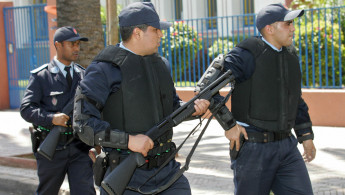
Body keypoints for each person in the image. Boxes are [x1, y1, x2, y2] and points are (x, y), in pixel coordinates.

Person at [73, 2, 210, 195]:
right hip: (127, 177)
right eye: (156, 30)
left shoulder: (161, 65)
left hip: (167, 171)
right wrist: (128, 140)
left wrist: (193, 109)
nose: (161, 35)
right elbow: (82, 124)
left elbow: (171, 108)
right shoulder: (104, 69)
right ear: (137, 33)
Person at [212, 3, 316, 195]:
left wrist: (306, 135)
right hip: (253, 149)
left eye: (292, 23)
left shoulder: (290, 55)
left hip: (287, 147)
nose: (293, 28)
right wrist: (230, 125)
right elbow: (207, 90)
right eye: (287, 24)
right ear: (269, 29)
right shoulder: (245, 54)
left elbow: (294, 98)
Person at [20, 26, 96, 195]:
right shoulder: (42, 76)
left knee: (86, 192)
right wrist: (51, 118)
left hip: (79, 147)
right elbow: (26, 109)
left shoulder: (83, 76)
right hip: (52, 149)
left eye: (78, 44)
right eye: (72, 44)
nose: (76, 48)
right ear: (58, 45)